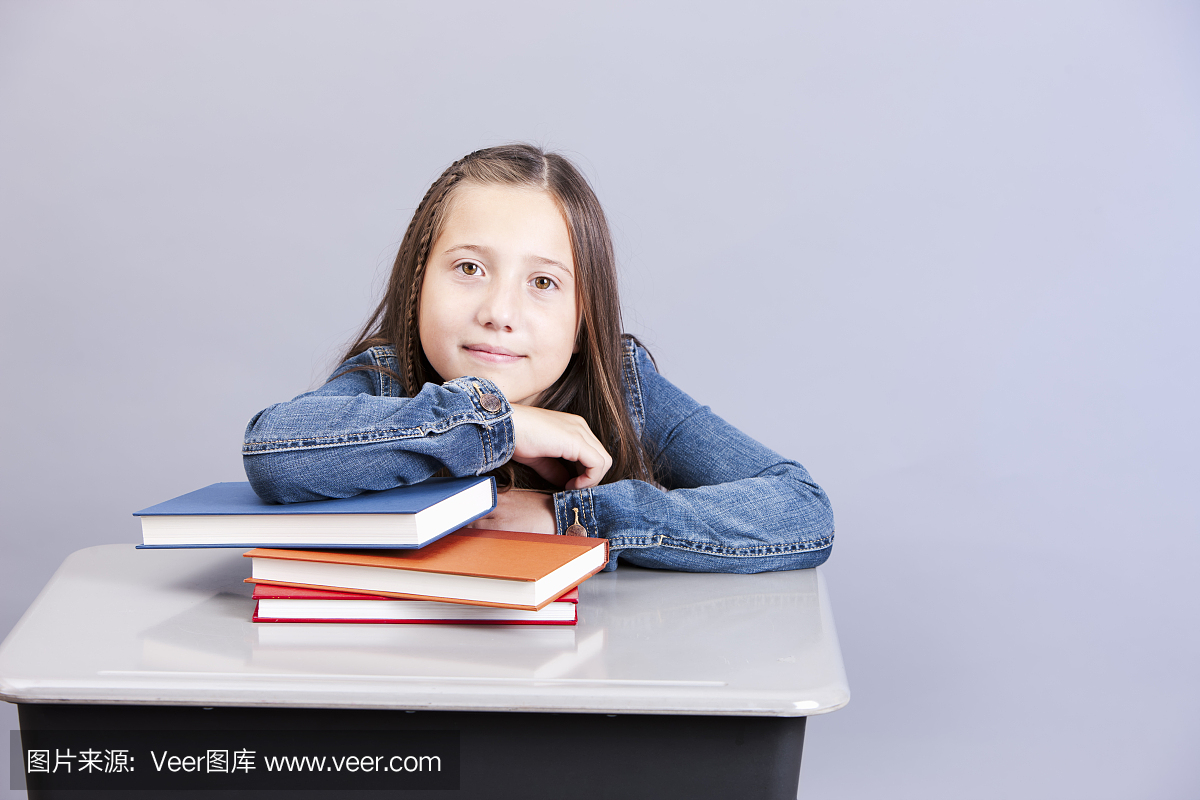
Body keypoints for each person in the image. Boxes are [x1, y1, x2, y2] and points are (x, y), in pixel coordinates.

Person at [242, 144, 833, 572]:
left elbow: (800, 509)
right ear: (418, 282)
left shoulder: (621, 387)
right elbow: (274, 452)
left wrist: (575, 517)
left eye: (544, 283)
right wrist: (493, 424)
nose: (500, 311)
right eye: (469, 269)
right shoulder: (385, 379)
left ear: (584, 318)